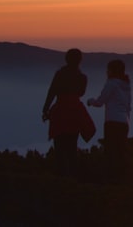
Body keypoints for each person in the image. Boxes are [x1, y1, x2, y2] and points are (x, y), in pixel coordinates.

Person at [42, 48, 96, 176]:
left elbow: (52, 92)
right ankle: (72, 179)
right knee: (72, 147)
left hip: (60, 111)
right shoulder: (82, 77)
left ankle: (61, 178)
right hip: (75, 112)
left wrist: (45, 109)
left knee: (59, 147)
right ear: (80, 60)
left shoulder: (59, 74)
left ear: (66, 59)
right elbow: (81, 93)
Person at [87, 59, 132, 177]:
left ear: (112, 71)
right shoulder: (126, 86)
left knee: (110, 152)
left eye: (108, 70)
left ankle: (111, 179)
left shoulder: (111, 83)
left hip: (112, 122)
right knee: (121, 152)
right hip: (124, 122)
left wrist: (90, 101)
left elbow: (100, 102)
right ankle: (122, 178)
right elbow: (128, 107)